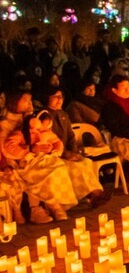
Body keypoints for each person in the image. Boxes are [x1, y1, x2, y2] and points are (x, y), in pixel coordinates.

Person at [1, 92, 79, 222]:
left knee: (57, 167)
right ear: (14, 102)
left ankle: (55, 205)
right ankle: (40, 208)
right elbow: (7, 149)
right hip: (19, 161)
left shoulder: (32, 121)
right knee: (41, 172)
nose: (29, 104)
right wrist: (29, 151)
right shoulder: (6, 125)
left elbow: (50, 137)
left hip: (39, 157)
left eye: (30, 100)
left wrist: (53, 148)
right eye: (25, 100)